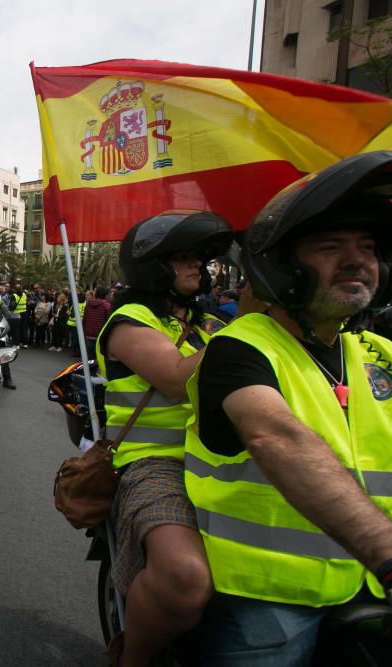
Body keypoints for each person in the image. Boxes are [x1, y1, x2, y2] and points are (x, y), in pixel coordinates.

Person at [184, 151, 392, 665]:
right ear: (280, 267)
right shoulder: (240, 348)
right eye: (332, 246)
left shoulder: (382, 356)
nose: (357, 259)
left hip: (375, 589)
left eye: (368, 247)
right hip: (271, 603)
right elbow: (276, 437)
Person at [97, 210, 233, 667]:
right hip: (157, 464)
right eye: (183, 257)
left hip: (226, 461)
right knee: (185, 576)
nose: (199, 266)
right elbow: (177, 377)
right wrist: (257, 325)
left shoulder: (212, 325)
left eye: (201, 258)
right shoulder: (129, 321)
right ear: (152, 265)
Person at [83, 285, 113, 359]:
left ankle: (89, 370)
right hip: (100, 335)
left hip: (89, 334)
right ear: (106, 295)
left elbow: (85, 318)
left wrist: (84, 331)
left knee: (90, 357)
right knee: (100, 358)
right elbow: (109, 321)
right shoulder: (107, 305)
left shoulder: (88, 304)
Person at [8, 281, 28, 348]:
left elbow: (11, 306)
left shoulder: (14, 296)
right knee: (24, 329)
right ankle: (25, 343)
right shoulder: (24, 295)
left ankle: (17, 344)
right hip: (24, 313)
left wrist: (9, 308)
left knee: (16, 330)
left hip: (17, 314)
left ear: (15, 289)